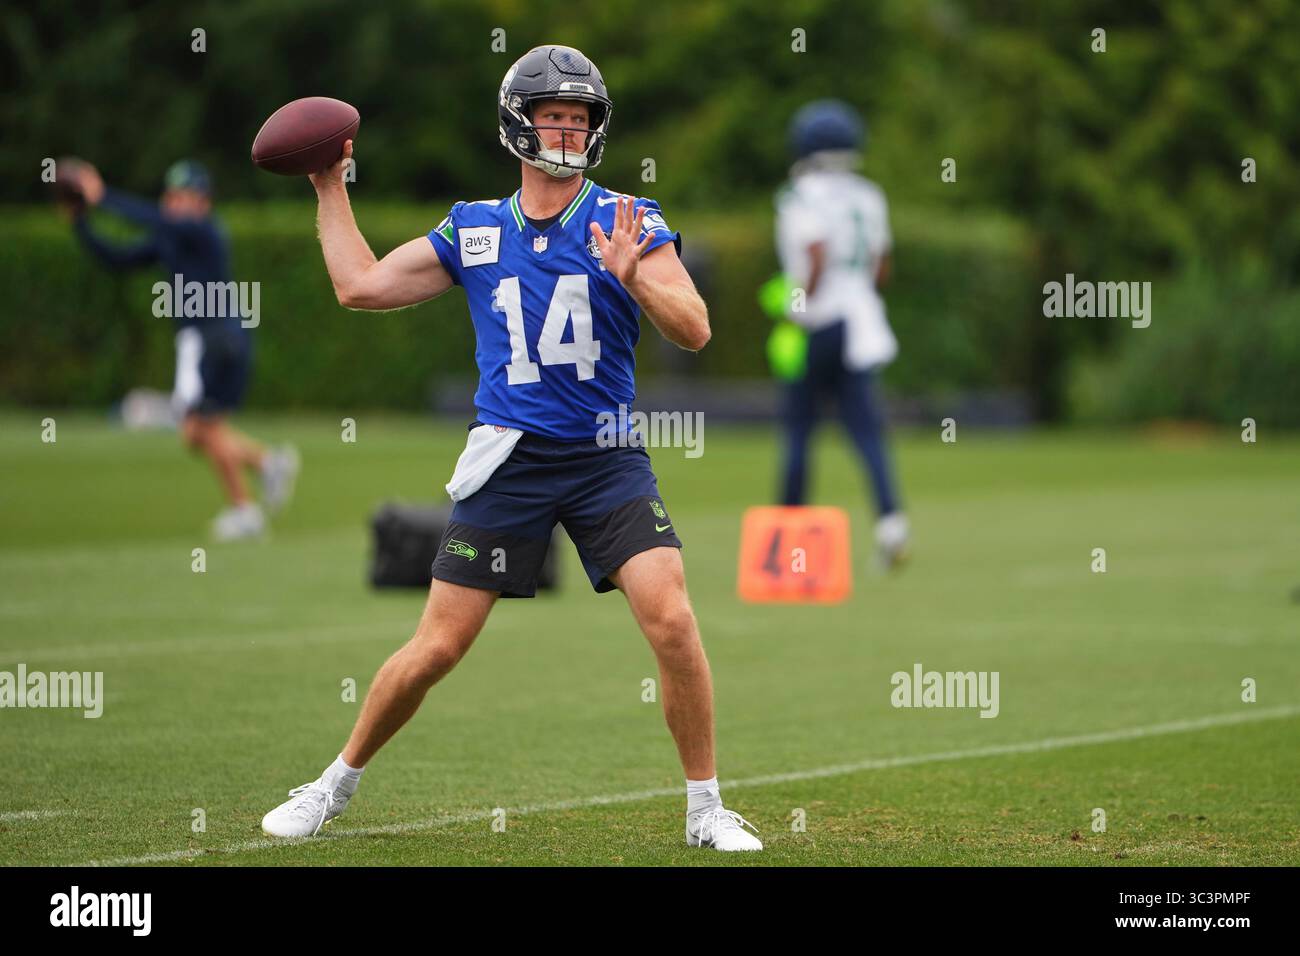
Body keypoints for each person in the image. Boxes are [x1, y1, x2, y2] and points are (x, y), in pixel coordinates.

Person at [260, 45, 762, 851]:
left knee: (672, 619)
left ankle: (706, 809)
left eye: (579, 118)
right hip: (510, 462)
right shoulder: (475, 227)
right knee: (436, 648)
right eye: (552, 116)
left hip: (605, 457)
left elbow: (696, 328)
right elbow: (359, 286)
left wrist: (635, 276)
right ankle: (331, 786)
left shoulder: (627, 218)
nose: (566, 131)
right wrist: (328, 186)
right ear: (517, 124)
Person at [64, 159, 298, 540]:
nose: (176, 204)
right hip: (218, 337)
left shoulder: (204, 230)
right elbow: (118, 260)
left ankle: (246, 509)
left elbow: (158, 220)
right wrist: (80, 222)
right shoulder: (171, 235)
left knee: (198, 427)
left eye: (185, 196)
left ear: (203, 202)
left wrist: (102, 195)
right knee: (199, 431)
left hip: (210, 337)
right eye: (172, 196)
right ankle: (267, 464)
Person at [773, 100, 909, 568]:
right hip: (861, 324)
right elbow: (881, 266)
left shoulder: (800, 195)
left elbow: (813, 254)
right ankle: (892, 524)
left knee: (797, 431)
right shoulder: (869, 195)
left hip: (818, 324)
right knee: (867, 429)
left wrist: (795, 311)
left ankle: (787, 542)